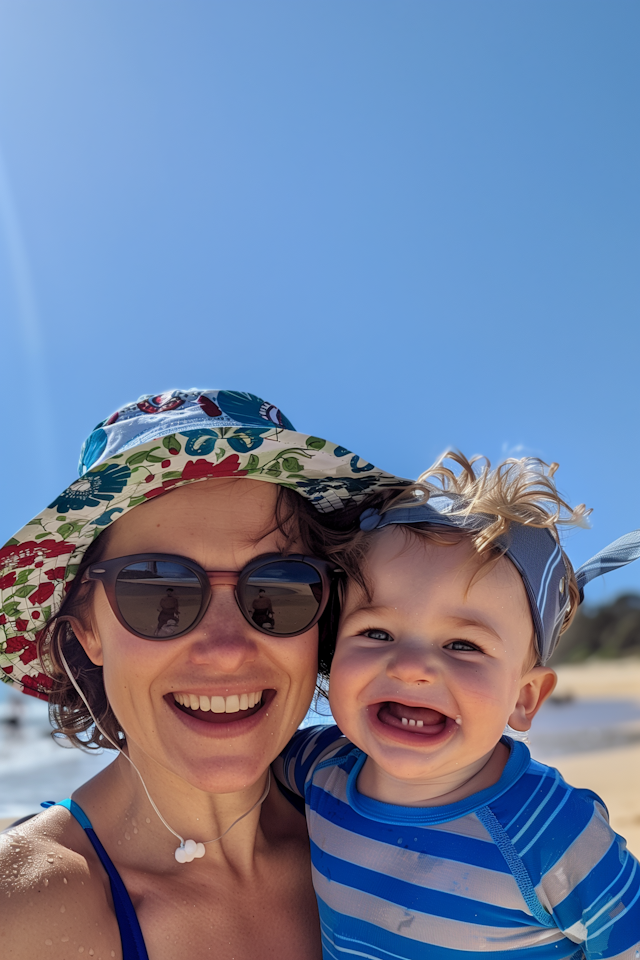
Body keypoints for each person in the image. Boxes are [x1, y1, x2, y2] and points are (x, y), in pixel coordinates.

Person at [0, 388, 407, 960]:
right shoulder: (22, 910)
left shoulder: (401, 845)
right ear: (86, 630)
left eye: (279, 588)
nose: (226, 650)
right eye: (157, 590)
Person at [277, 452, 640, 960]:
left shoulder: (552, 831)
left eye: (463, 645)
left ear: (524, 697)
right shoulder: (316, 765)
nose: (410, 667)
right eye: (376, 632)